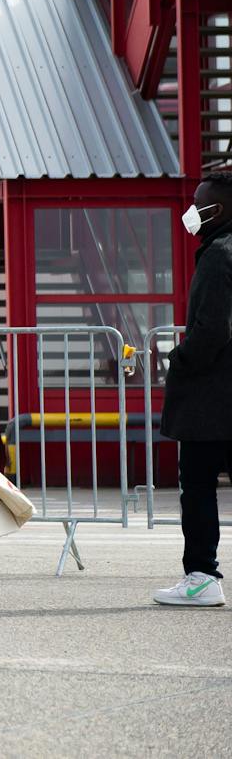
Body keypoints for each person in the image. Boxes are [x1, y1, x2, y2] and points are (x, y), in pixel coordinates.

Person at [154, 171, 232, 606]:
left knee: (198, 487)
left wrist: (178, 359)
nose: (192, 210)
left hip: (211, 400)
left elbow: (211, 330)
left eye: (198, 203)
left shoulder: (219, 255)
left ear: (215, 210)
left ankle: (202, 576)